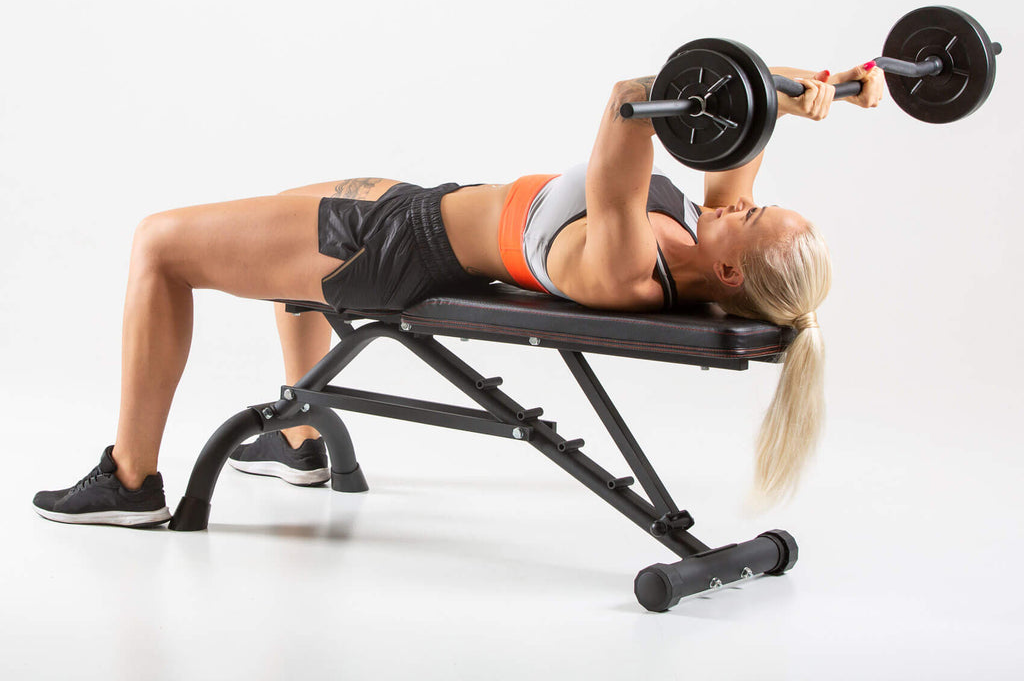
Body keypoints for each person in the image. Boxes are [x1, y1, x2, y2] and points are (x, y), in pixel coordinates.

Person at [33, 61, 885, 526]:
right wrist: (814, 95)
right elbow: (734, 142)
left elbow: (633, 100)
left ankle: (131, 480)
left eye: (758, 214)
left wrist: (766, 76)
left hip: (397, 244)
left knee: (158, 244)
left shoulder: (629, 264)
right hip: (416, 215)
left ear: (733, 271)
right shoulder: (703, 251)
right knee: (277, 226)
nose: (745, 201)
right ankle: (299, 437)